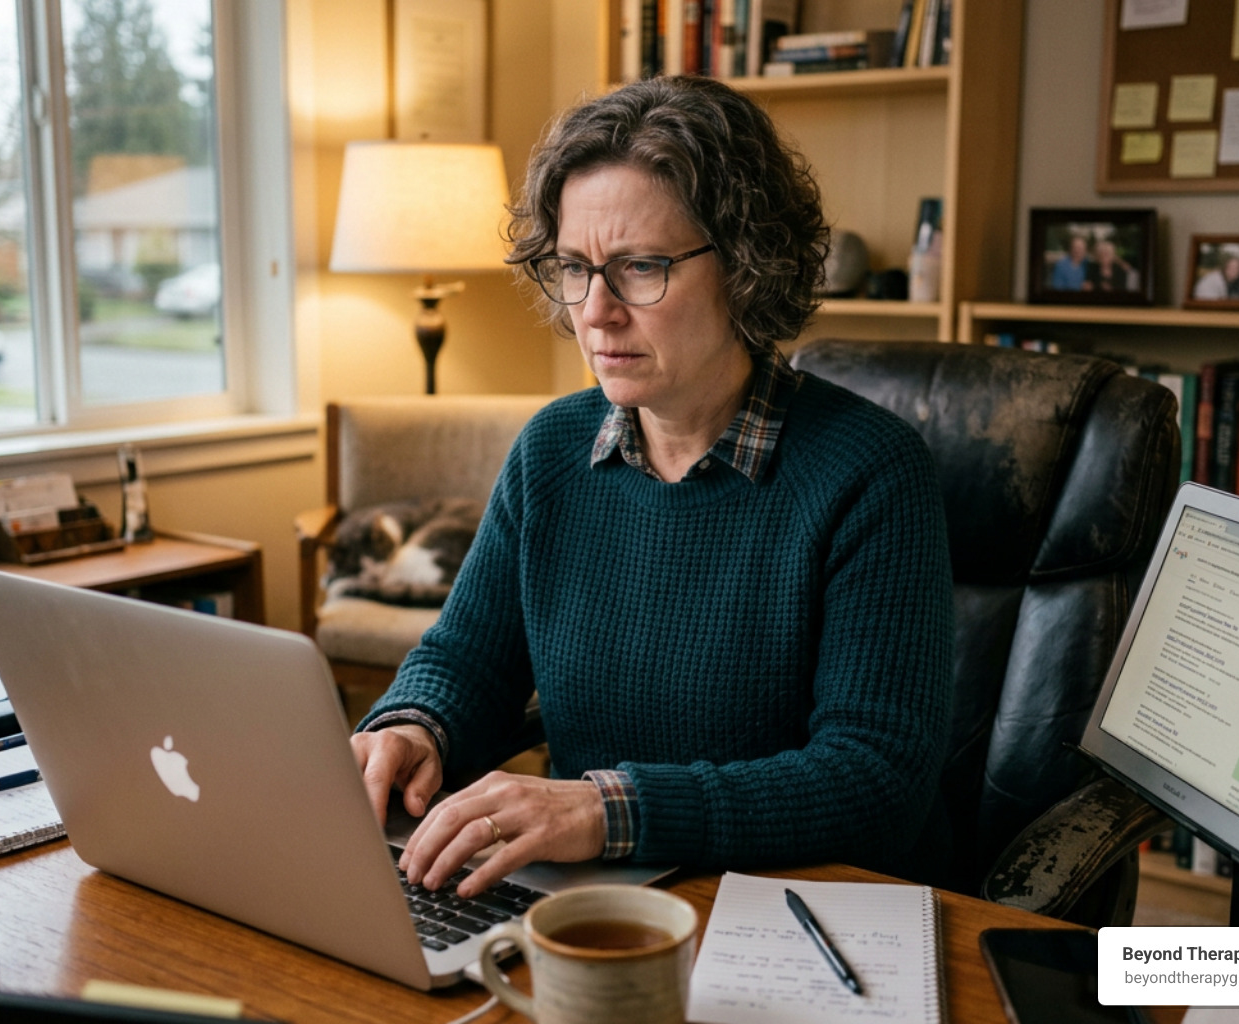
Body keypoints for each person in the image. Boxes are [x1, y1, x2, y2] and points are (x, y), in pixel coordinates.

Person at [350, 75, 955, 901]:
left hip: (786, 915)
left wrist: (608, 809)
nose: (595, 311)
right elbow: (466, 661)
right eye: (573, 268)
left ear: (746, 264)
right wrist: (413, 725)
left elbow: (875, 780)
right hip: (582, 901)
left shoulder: (870, 473)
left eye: (639, 267)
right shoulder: (551, 450)